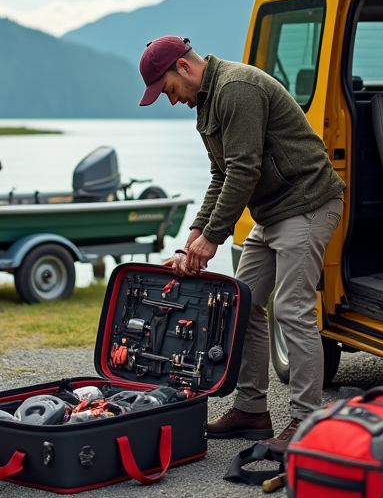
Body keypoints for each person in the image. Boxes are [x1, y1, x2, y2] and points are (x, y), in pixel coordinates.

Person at [138, 36, 345, 452]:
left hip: (307, 202)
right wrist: (196, 234)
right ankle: (251, 411)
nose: (170, 100)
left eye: (167, 90)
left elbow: (245, 169)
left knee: (293, 309)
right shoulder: (206, 104)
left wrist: (214, 239)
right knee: (242, 303)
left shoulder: (237, 89)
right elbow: (221, 174)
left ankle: (307, 422)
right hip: (272, 212)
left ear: (182, 67)